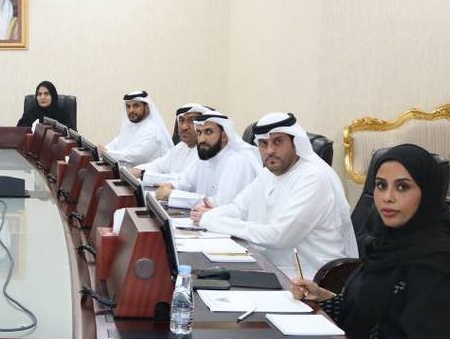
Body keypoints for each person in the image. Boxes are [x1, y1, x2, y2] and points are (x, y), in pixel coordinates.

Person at [292, 144, 450, 339]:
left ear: (427, 193)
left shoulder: (441, 264)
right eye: (381, 185)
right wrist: (321, 296)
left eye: (402, 187)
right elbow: (367, 310)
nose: (388, 197)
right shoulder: (384, 245)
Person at [197, 112, 358, 279]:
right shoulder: (268, 173)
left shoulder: (313, 178)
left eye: (278, 141)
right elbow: (238, 208)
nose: (270, 151)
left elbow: (277, 236)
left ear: (295, 143)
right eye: (263, 143)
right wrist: (210, 216)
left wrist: (212, 221)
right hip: (269, 266)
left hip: (309, 277)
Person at [155, 110, 260, 207]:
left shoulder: (238, 162)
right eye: (199, 133)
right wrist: (171, 186)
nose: (202, 139)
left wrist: (173, 195)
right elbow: (184, 181)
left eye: (208, 132)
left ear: (224, 136)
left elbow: (221, 203)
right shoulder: (206, 156)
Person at [138, 102, 208, 185]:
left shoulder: (206, 152)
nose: (184, 127)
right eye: (181, 120)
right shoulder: (180, 146)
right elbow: (157, 166)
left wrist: (142, 174)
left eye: (191, 121)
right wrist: (131, 171)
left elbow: (182, 180)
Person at [100, 91, 173, 166]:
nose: (131, 110)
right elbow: (115, 144)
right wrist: (100, 151)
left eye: (136, 106)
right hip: (128, 172)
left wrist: (107, 153)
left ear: (147, 107)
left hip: (145, 173)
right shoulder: (130, 127)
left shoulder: (152, 129)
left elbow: (137, 156)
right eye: (128, 106)